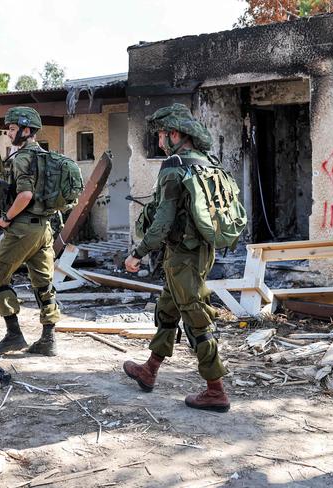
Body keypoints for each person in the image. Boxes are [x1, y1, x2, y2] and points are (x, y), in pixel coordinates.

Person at [122, 103, 230, 413]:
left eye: (160, 136)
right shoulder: (209, 162)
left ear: (174, 134)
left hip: (183, 255)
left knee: (196, 318)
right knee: (168, 309)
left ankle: (215, 390)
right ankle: (149, 370)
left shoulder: (175, 166)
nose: (158, 142)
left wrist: (138, 254)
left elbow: (162, 222)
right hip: (199, 251)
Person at [0, 107, 60, 356]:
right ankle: (48, 340)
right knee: (43, 283)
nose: (9, 133)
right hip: (45, 228)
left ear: (26, 130)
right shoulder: (48, 157)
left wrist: (6, 218)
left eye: (12, 129)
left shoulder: (22, 158)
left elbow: (26, 195)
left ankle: (13, 335)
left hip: (23, 228)